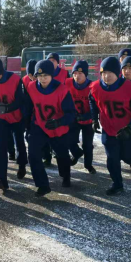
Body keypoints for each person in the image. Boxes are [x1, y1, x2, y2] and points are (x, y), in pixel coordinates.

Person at [89, 57, 131, 196]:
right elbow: (93, 102)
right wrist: (94, 119)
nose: (106, 76)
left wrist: (130, 127)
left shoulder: (130, 87)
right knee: (112, 158)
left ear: (118, 73)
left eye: (110, 73)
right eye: (103, 73)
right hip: (109, 129)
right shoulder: (95, 87)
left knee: (128, 156)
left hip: (128, 129)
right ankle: (117, 184)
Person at [25, 60, 76, 196]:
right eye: (39, 76)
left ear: (52, 75)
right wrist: (27, 127)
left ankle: (65, 176)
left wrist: (59, 122)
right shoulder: (31, 87)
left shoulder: (62, 90)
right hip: (39, 126)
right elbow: (28, 108)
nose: (42, 78)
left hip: (58, 128)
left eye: (45, 75)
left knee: (62, 155)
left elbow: (71, 114)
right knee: (33, 154)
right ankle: (42, 185)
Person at [0, 58, 28, 190]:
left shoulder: (15, 80)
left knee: (19, 142)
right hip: (0, 117)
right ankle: (1, 179)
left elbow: (20, 100)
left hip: (16, 117)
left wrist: (8, 108)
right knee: (0, 146)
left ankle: (22, 165)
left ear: (1, 72)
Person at [65, 61, 96, 174]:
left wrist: (87, 116)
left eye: (80, 73)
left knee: (87, 145)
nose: (77, 76)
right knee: (69, 140)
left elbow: (96, 107)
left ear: (86, 74)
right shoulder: (67, 83)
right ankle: (77, 153)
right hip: (74, 118)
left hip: (88, 120)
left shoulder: (92, 86)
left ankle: (88, 165)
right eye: (75, 73)